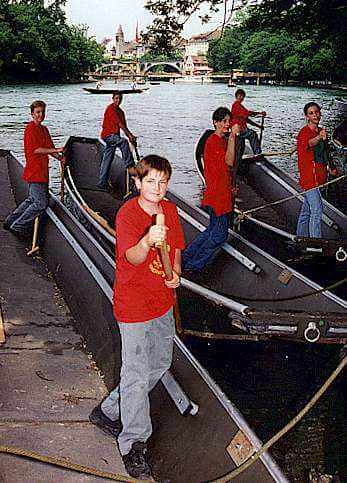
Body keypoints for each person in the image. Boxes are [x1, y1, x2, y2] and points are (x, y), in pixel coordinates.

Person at [89, 155, 185, 479]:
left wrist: (177, 274)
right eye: (150, 181)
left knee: (159, 364)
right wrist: (147, 240)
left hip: (161, 303)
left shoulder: (170, 210)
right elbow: (132, 255)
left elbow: (176, 249)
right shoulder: (128, 214)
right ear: (138, 183)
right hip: (133, 306)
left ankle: (109, 410)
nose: (157, 188)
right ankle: (133, 444)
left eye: (162, 182)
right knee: (136, 373)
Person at [182, 107, 239, 272]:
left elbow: (223, 169)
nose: (227, 125)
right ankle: (194, 266)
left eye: (229, 121)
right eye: (224, 121)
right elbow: (229, 162)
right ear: (215, 122)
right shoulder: (214, 141)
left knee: (211, 231)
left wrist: (231, 187)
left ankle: (186, 258)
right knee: (220, 235)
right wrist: (233, 137)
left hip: (220, 192)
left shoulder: (220, 141)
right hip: (218, 196)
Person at [3, 100, 64, 237]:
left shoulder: (44, 129)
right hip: (34, 172)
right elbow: (36, 150)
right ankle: (18, 226)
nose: (40, 115)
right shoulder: (30, 129)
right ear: (32, 114)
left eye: (42, 112)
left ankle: (10, 221)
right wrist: (57, 149)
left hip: (43, 172)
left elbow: (49, 148)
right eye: (38, 112)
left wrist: (59, 157)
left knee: (32, 200)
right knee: (41, 204)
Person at [296, 102, 334, 238]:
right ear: (306, 116)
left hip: (319, 178)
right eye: (311, 113)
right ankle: (315, 242)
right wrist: (319, 137)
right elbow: (308, 144)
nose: (315, 115)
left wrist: (331, 167)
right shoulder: (304, 133)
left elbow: (325, 153)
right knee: (317, 209)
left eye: (317, 112)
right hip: (309, 179)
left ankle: (301, 237)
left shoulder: (321, 131)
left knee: (307, 210)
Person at [97, 90, 137, 189]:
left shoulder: (121, 112)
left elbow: (124, 125)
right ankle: (130, 165)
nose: (118, 101)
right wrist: (129, 136)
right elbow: (119, 123)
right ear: (113, 99)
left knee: (107, 160)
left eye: (120, 99)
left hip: (114, 137)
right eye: (116, 98)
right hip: (108, 136)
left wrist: (131, 137)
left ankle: (102, 183)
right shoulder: (110, 109)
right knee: (123, 142)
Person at [231, 88, 266, 157]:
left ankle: (244, 156)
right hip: (238, 129)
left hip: (241, 129)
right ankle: (258, 154)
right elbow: (247, 113)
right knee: (252, 134)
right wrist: (259, 113)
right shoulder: (236, 105)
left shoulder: (241, 107)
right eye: (239, 96)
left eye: (242, 96)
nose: (241, 97)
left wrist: (259, 126)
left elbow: (247, 120)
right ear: (236, 96)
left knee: (245, 140)